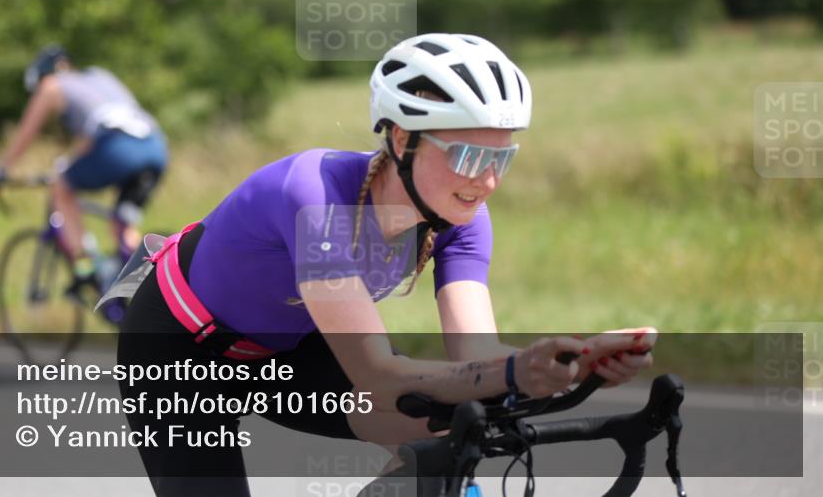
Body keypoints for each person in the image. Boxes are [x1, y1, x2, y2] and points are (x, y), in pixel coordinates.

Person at [117, 33, 655, 496]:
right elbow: (375, 372)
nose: (486, 181)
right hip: (177, 353)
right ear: (402, 138)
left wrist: (573, 366)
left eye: (501, 158)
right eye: (469, 156)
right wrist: (518, 371)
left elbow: (478, 356)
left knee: (445, 427)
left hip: (289, 350)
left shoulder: (464, 218)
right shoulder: (315, 196)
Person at [0, 44, 168, 301]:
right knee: (122, 226)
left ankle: (85, 269)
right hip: (155, 147)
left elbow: (27, 132)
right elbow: (92, 138)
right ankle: (154, 289)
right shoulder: (100, 76)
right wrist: (69, 163)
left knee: (61, 188)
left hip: (119, 148)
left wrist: (0, 170)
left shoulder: (51, 85)